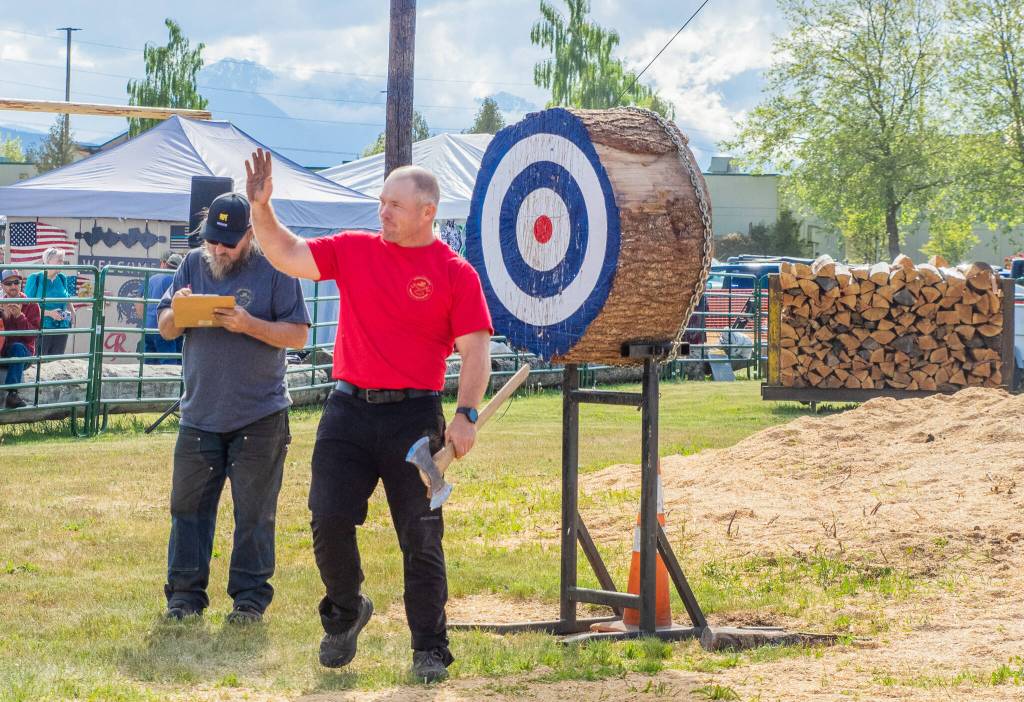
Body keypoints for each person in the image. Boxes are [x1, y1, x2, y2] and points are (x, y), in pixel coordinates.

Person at [245, 149, 492, 682]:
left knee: (421, 534)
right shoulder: (354, 250)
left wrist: (465, 414)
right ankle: (345, 611)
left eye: (394, 206)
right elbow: (288, 253)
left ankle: (430, 646)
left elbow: (476, 351)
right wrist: (261, 210)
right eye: (380, 203)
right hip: (347, 412)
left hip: (414, 419)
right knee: (327, 516)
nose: (382, 213)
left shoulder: (455, 273)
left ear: (428, 212)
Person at [156, 192, 311, 624]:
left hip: (259, 415)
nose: (218, 250)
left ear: (250, 234)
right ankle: (184, 598)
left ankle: (249, 600)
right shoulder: (191, 264)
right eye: (212, 241)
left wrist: (249, 324)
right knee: (187, 509)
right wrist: (181, 312)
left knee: (255, 513)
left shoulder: (277, 267)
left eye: (228, 242)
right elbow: (165, 328)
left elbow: (298, 334)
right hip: (198, 413)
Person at [1, 269, 42, 409]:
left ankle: (12, 394)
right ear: (2, 286)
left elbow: (32, 335)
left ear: (21, 284)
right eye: (8, 283)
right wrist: (3, 318)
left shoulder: (31, 304)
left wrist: (19, 316)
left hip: (23, 354)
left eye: (16, 282)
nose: (13, 286)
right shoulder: (1, 304)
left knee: (18, 347)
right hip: (3, 351)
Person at [23, 247, 74, 357]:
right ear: (48, 260)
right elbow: (27, 307)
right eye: (59, 260)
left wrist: (73, 313)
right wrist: (50, 313)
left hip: (61, 327)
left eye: (62, 260)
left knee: (56, 361)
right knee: (40, 361)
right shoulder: (35, 278)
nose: (62, 263)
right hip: (42, 327)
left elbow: (67, 297)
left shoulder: (62, 278)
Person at [137, 250, 183, 364]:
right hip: (165, 327)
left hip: (148, 328)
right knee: (169, 366)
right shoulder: (175, 279)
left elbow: (138, 302)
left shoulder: (152, 278)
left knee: (149, 366)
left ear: (166, 264)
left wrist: (147, 320)